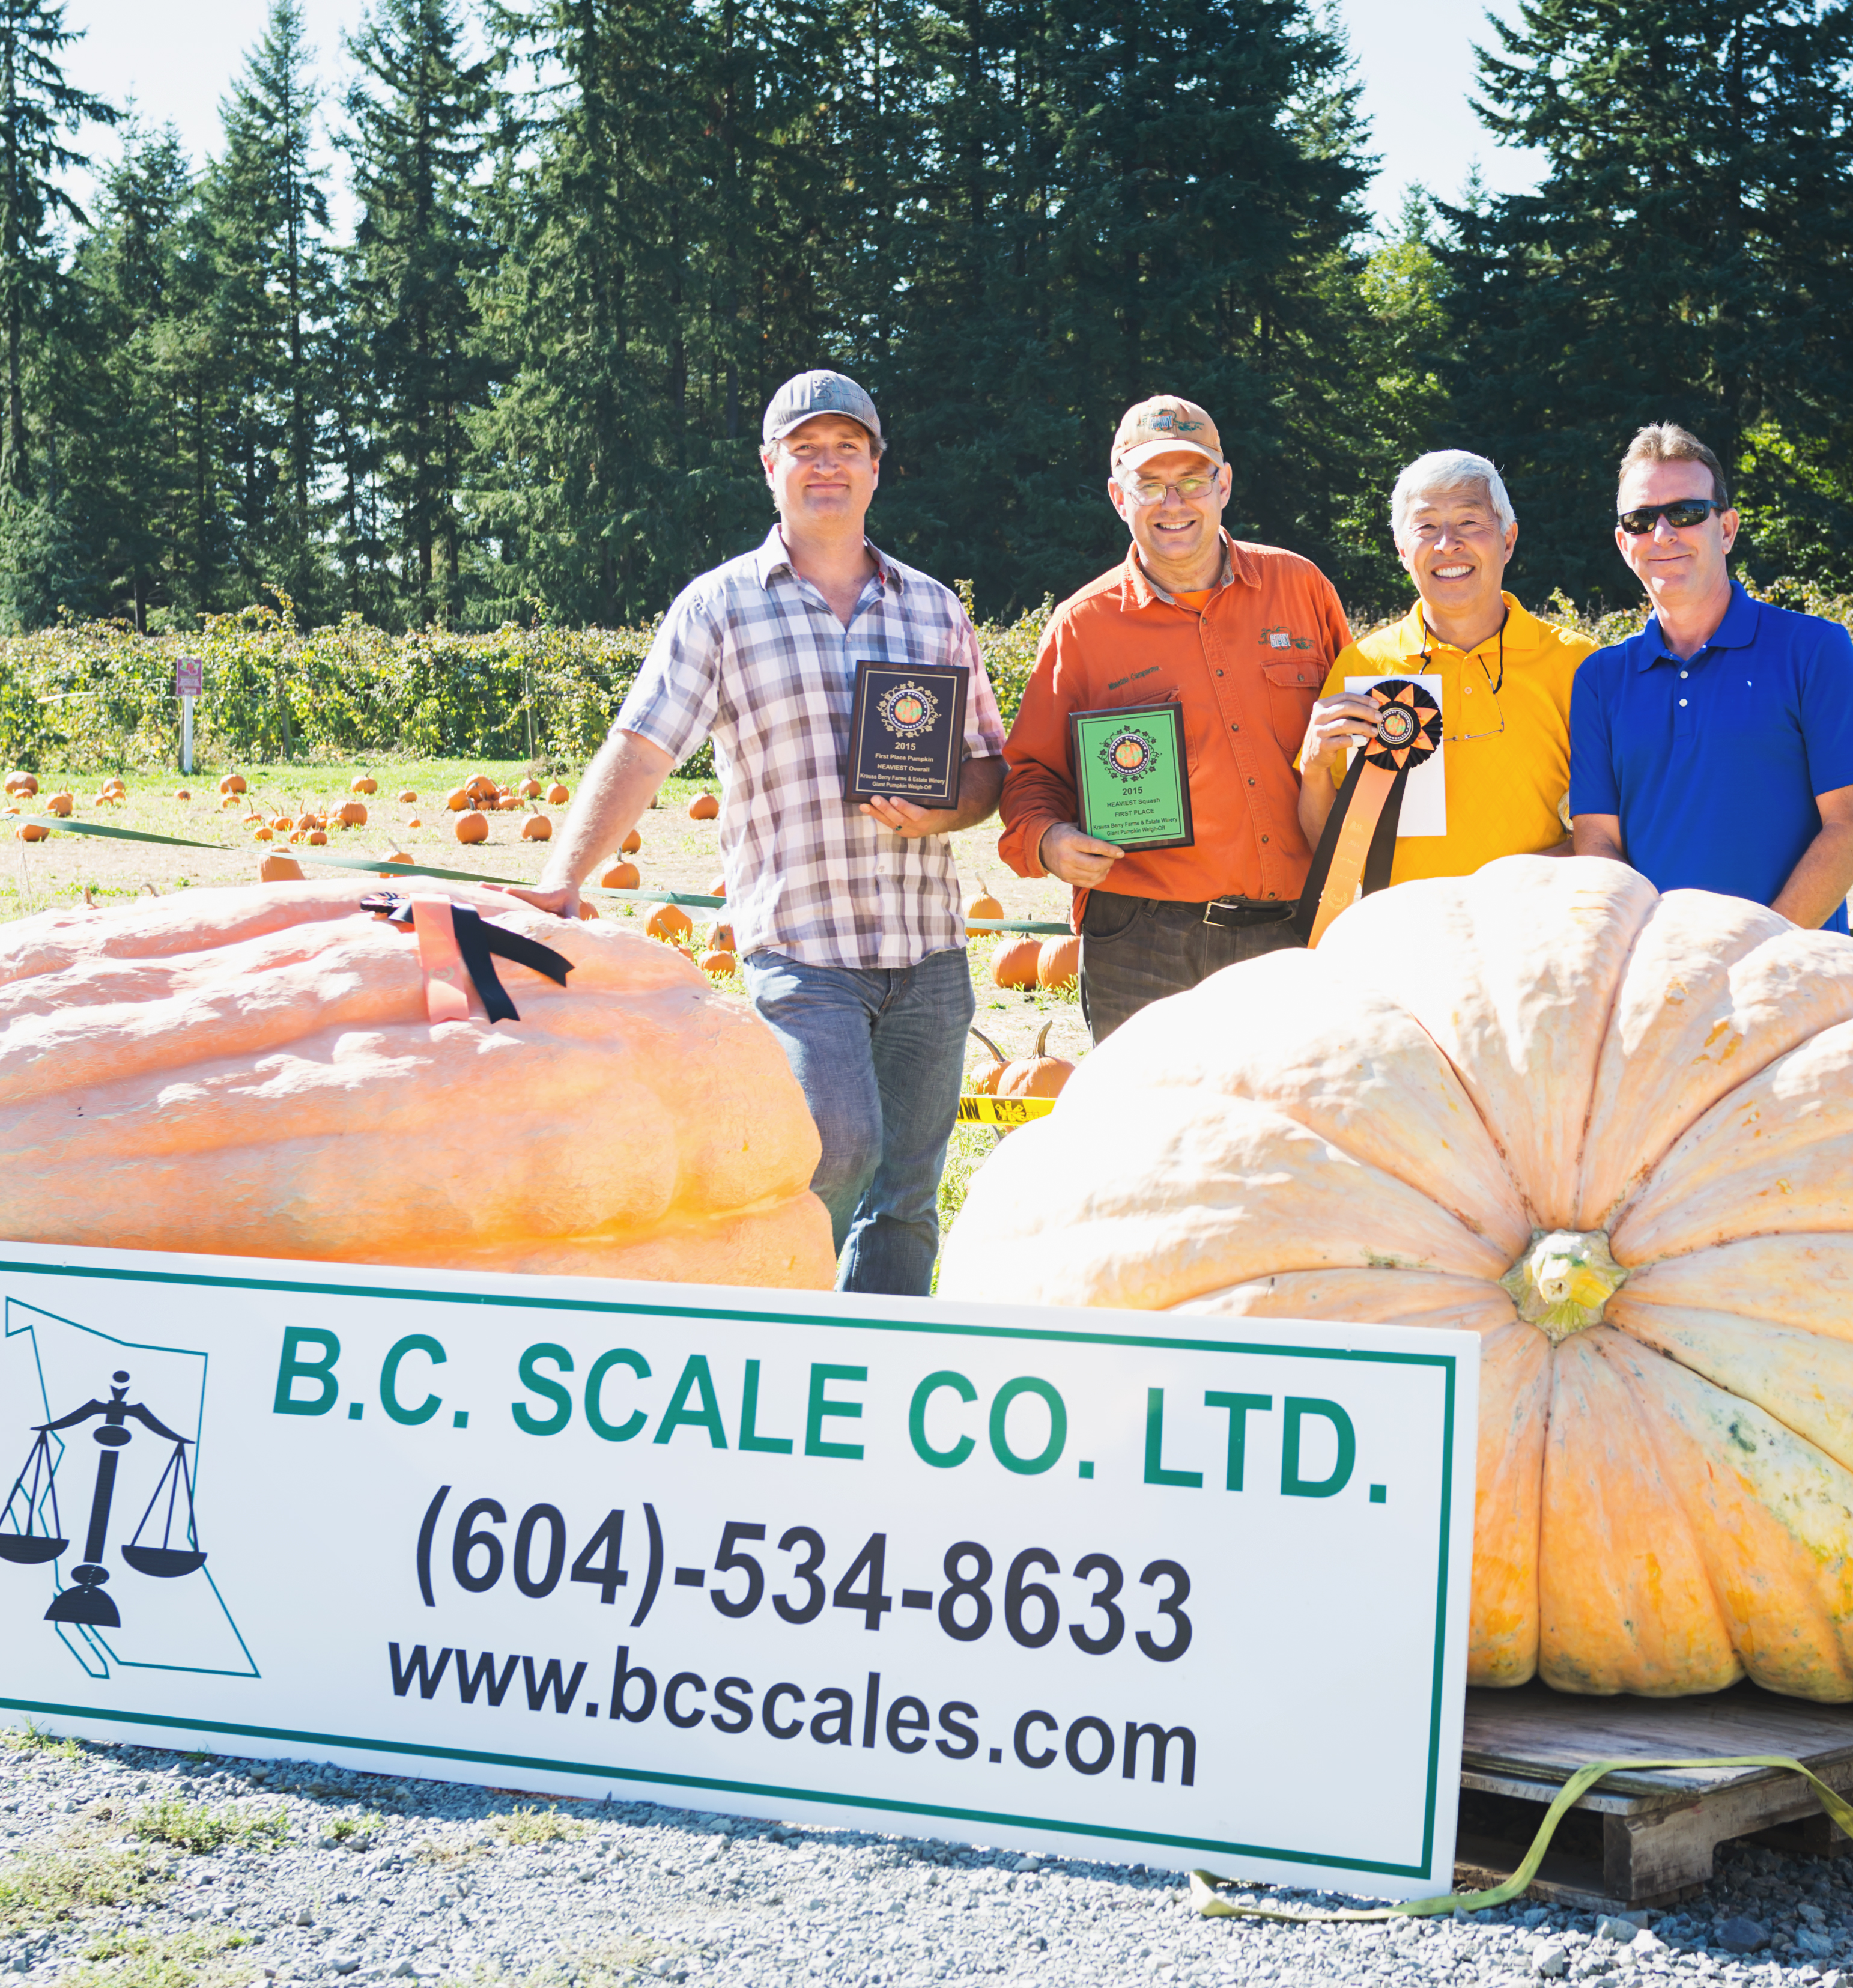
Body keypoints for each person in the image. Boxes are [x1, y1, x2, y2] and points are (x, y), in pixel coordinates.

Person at [518, 371, 1005, 1298]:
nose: (828, 468)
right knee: (837, 1144)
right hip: (802, 944)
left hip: (927, 945)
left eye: (847, 449)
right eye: (806, 450)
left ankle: (877, 1366)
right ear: (770, 466)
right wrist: (563, 872)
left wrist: (946, 806)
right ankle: (773, 1332)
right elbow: (645, 740)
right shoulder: (720, 605)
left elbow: (988, 763)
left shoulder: (934, 607)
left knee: (907, 1192)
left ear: (876, 467)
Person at [997, 395, 1353, 1041]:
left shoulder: (1300, 588)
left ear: (1222, 484)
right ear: (1117, 496)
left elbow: (1359, 744)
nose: (1173, 503)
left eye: (1191, 481)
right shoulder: (1082, 625)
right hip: (1141, 942)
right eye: (1150, 484)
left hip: (1294, 930)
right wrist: (1048, 840)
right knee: (1152, 1138)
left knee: (1290, 1136)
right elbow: (1030, 773)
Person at [1569, 424, 1853, 931]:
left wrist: (1758, 955)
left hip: (1792, 977)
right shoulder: (1599, 681)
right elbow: (1598, 844)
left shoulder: (1815, 651)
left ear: (1727, 528)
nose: (1663, 533)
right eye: (1640, 519)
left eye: (1687, 513)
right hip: (1655, 980)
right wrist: (1644, 955)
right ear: (1622, 542)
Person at [1296, 451, 1591, 934]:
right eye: (1426, 527)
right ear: (1400, 547)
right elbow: (1330, 850)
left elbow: (1614, 826)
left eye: (1470, 522)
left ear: (1508, 539)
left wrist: (1507, 893)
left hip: (1541, 937)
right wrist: (1313, 768)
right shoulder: (1363, 666)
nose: (1447, 544)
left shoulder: (1578, 664)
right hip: (1406, 945)